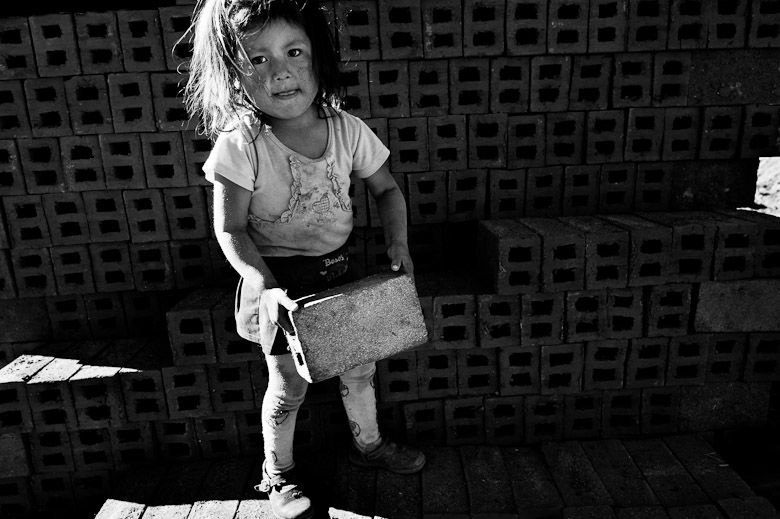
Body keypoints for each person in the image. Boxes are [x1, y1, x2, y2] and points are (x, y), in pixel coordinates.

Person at [184, 0, 425, 517]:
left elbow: (386, 190)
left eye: (294, 51)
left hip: (338, 274)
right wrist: (265, 285)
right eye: (258, 59)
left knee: (359, 370)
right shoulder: (241, 144)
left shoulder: (347, 129)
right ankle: (277, 474)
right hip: (277, 285)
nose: (282, 71)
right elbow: (229, 228)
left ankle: (370, 446)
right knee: (288, 384)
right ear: (233, 72)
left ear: (320, 58)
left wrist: (397, 243)